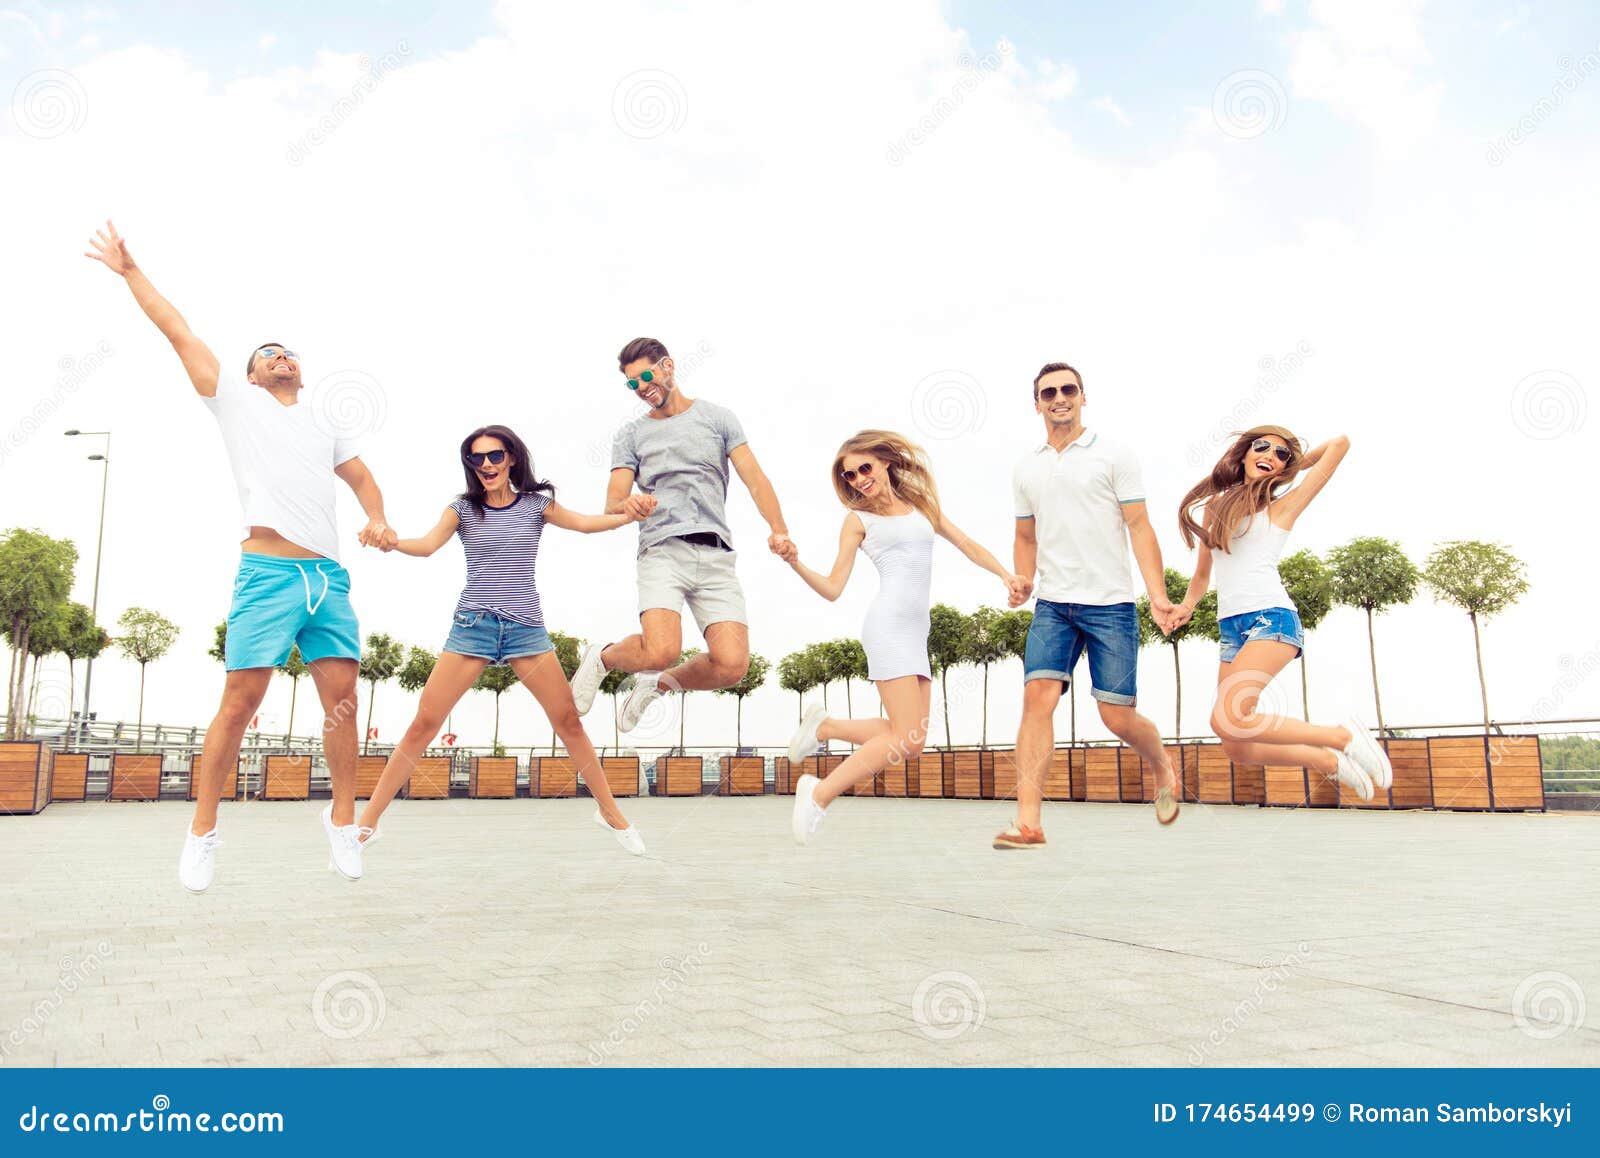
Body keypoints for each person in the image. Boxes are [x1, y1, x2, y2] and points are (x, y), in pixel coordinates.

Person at [85, 220, 394, 892]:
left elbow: (364, 480)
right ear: (251, 375)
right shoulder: (235, 403)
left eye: (289, 352)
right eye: (268, 353)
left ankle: (342, 818)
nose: (281, 357)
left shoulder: (324, 421)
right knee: (239, 703)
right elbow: (179, 330)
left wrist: (376, 519)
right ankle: (202, 830)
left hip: (327, 580)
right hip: (269, 574)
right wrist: (131, 270)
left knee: (343, 700)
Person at [358, 425, 648, 855]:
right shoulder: (461, 509)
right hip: (473, 627)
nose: (487, 465)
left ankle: (609, 812)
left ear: (511, 458)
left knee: (568, 721)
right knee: (424, 723)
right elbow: (426, 545)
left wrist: (629, 514)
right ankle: (367, 823)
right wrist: (391, 542)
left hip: (525, 630)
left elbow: (587, 524)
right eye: (477, 459)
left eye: (495, 456)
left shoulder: (536, 505)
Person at [784, 432, 1024, 844]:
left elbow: (966, 544)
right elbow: (832, 587)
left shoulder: (921, 506)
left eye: (865, 468)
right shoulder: (858, 521)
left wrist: (1006, 575)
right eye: (851, 475)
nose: (860, 479)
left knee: (911, 741)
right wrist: (794, 562)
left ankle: (825, 728)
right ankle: (818, 794)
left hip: (917, 632)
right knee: (904, 735)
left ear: (884, 463)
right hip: (888, 627)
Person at [998, 361, 1183, 850]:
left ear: (1083, 396)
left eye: (1069, 390)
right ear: (1035, 403)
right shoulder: (1026, 467)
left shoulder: (1114, 454)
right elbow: (1025, 535)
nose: (1059, 398)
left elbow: (1140, 527)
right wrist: (1023, 580)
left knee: (1116, 717)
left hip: (1111, 606)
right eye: (1049, 392)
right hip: (1053, 606)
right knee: (1036, 698)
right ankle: (1029, 823)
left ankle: (1162, 764)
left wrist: (1157, 596)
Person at [568, 337, 794, 734]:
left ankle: (658, 684)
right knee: (661, 649)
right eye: (632, 383)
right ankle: (602, 658)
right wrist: (630, 506)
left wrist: (779, 529)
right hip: (662, 551)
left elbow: (755, 480)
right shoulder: (631, 435)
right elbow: (613, 502)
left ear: (668, 366)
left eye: (646, 376)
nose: (642, 387)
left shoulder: (718, 418)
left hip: (716, 554)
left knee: (731, 666)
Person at [1170, 428, 1391, 797]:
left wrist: (1290, 470)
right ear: (1243, 454)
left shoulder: (1284, 505)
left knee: (1229, 717)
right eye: (1262, 447)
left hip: (1271, 618)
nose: (1271, 454)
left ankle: (1343, 737)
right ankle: (1325, 761)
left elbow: (1340, 444)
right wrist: (1186, 607)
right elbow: (1203, 574)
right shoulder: (1216, 507)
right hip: (1231, 629)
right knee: (1235, 743)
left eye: (1282, 453)